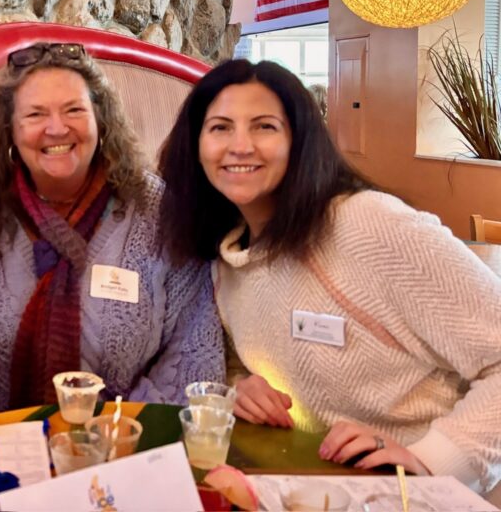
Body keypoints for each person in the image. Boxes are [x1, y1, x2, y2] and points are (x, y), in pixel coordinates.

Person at [157, 58, 501, 497]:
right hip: (310, 487)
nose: (239, 145)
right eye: (220, 127)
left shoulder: (368, 226)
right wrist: (240, 386)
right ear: (196, 145)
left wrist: (433, 460)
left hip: (416, 496)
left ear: (299, 142)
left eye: (264, 126)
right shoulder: (225, 259)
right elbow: (248, 353)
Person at [0, 42, 224, 414]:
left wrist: (122, 429)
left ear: (100, 120)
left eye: (74, 110)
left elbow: (194, 345)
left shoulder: (158, 211)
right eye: (35, 114)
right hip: (9, 443)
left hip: (131, 442)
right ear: (10, 131)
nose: (56, 128)